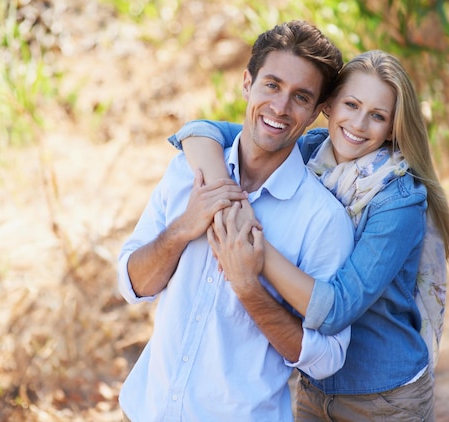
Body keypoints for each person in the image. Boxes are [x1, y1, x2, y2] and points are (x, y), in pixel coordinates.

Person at [168, 49, 449, 420]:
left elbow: (337, 308)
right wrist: (229, 198)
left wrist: (251, 241)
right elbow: (199, 132)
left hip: (383, 398)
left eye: (377, 116)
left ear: (392, 128)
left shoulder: (397, 199)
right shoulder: (309, 149)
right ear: (329, 105)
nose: (358, 124)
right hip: (312, 384)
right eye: (351, 105)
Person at [117, 21, 355, 421]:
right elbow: (131, 284)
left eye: (301, 97)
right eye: (272, 85)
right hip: (146, 410)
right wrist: (181, 229)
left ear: (317, 112)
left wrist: (249, 288)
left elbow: (327, 358)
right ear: (247, 83)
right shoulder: (186, 171)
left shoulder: (323, 220)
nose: (280, 108)